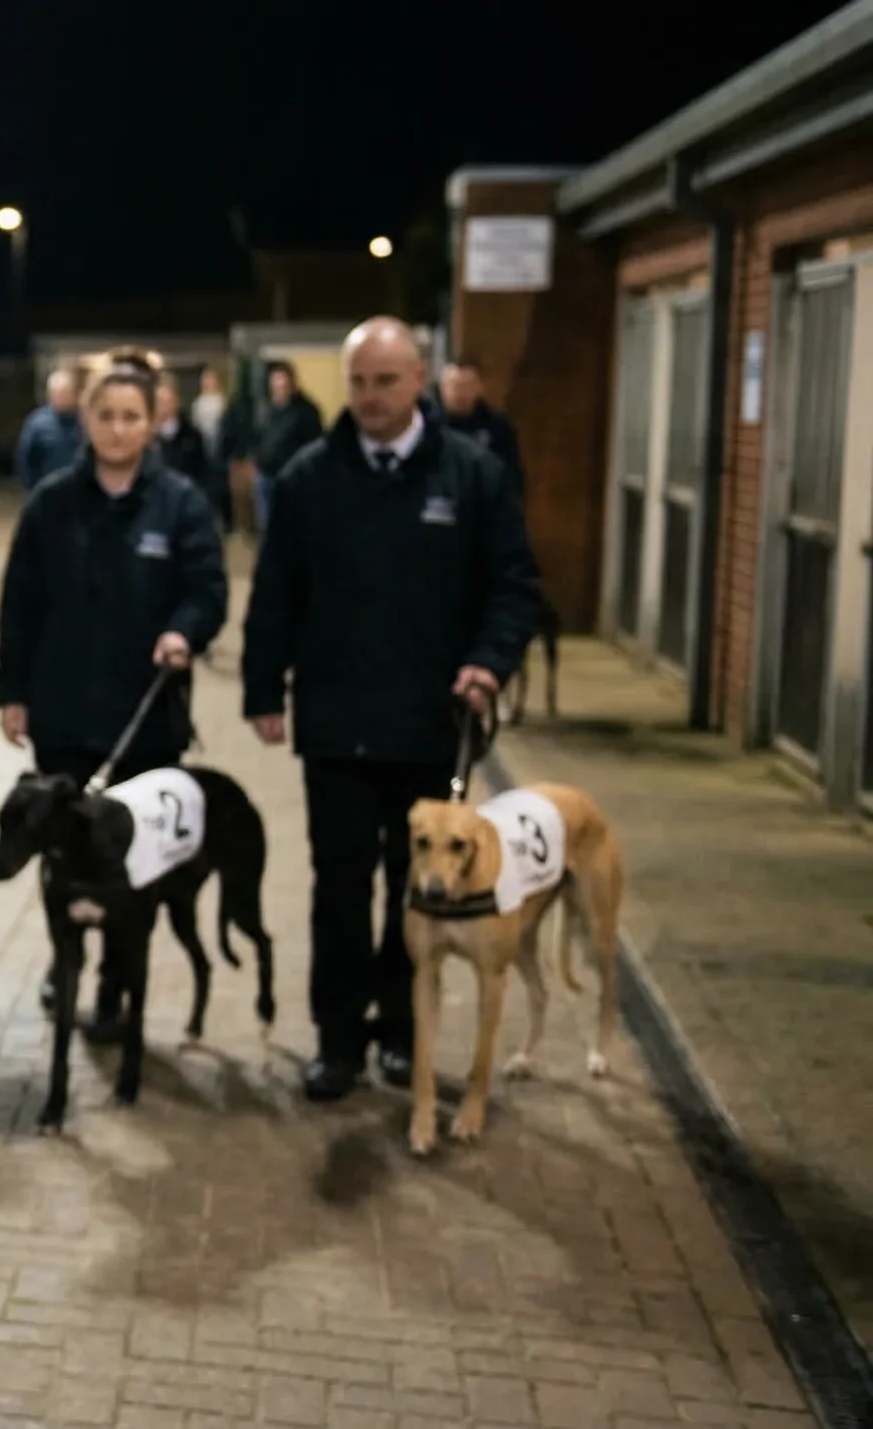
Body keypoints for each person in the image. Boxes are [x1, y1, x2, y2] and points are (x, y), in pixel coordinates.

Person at [241, 317, 539, 1103]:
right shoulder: (311, 478)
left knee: (417, 894)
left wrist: (488, 662)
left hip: (429, 724)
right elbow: (275, 593)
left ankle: (403, 1038)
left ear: (419, 380)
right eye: (359, 382)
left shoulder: (471, 475)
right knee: (337, 887)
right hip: (336, 726)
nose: (371, 398)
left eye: (386, 381)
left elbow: (514, 584)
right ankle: (338, 1042)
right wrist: (262, 688)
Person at [0, 347, 226, 1036]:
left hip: (146, 721)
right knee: (65, 859)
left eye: (132, 416)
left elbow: (208, 589)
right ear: (86, 420)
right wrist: (13, 689)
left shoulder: (180, 504)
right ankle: (64, 959)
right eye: (106, 415)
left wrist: (184, 631)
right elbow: (20, 603)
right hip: (64, 718)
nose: (119, 428)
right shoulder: (52, 504)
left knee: (134, 869)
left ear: (153, 421)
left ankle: (117, 982)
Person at [249, 359, 324, 533]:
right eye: (275, 385)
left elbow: (315, 446)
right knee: (268, 528)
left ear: (292, 384)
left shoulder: (306, 412)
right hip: (265, 477)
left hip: (292, 480)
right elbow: (258, 438)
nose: (278, 389)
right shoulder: (268, 410)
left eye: (282, 384)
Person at [438, 355, 525, 501]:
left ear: (479, 387)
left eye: (466, 386)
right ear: (442, 388)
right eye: (454, 385)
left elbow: (512, 478)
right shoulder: (427, 424)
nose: (460, 394)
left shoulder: (497, 427)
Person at [153, 376, 221, 526]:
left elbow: (204, 474)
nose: (161, 406)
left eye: (166, 401)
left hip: (184, 506)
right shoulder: (146, 437)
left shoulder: (192, 436)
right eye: (158, 401)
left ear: (176, 402)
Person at [14, 368, 84, 493]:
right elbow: (25, 460)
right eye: (56, 393)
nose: (60, 398)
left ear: (75, 394)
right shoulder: (37, 423)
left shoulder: (87, 421)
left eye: (65, 393)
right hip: (48, 490)